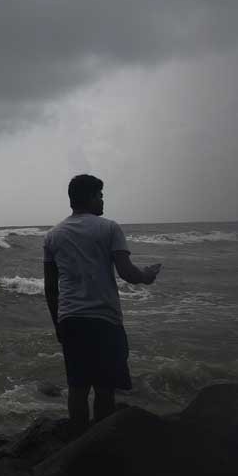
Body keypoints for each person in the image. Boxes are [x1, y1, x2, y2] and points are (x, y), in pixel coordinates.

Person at [43, 174, 163, 432]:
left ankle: (77, 442)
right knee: (105, 389)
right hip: (104, 319)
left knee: (77, 389)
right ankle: (100, 443)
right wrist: (147, 276)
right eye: (100, 195)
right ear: (89, 197)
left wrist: (58, 324)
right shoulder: (109, 228)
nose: (102, 200)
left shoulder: (53, 235)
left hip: (71, 320)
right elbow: (127, 273)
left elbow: (51, 288)